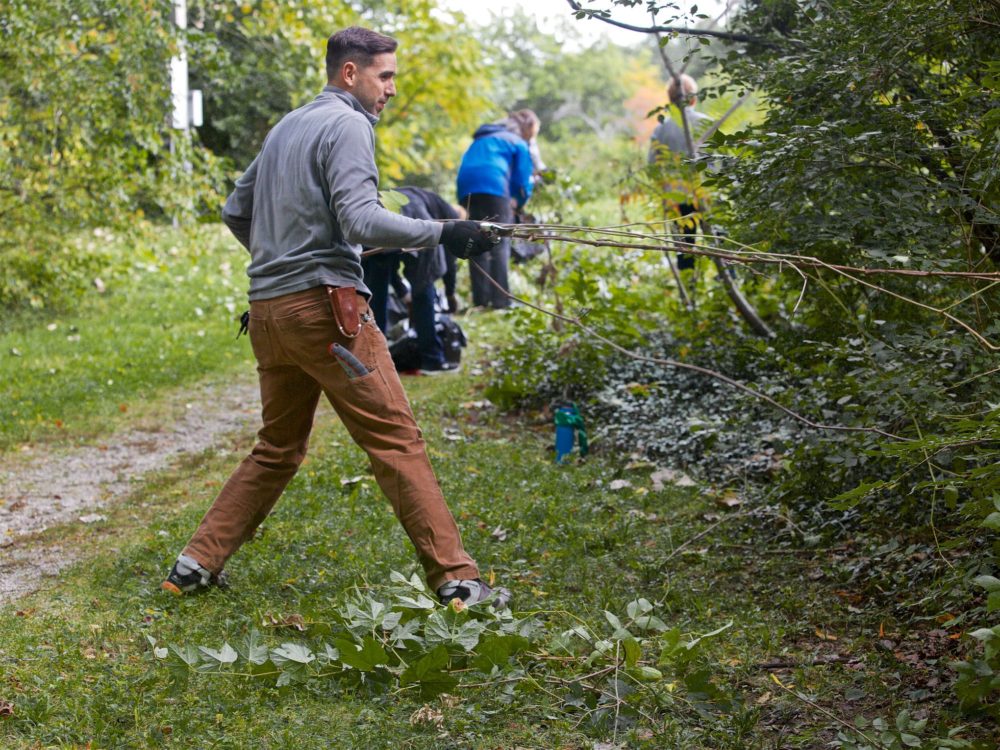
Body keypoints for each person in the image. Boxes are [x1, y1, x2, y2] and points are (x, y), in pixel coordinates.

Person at [161, 26, 509, 610]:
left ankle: (194, 565)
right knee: (396, 441)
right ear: (351, 73)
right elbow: (361, 219)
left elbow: (234, 210)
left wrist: (286, 257)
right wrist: (446, 232)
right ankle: (458, 582)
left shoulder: (287, 126)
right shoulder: (349, 124)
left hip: (269, 314)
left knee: (277, 448)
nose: (391, 88)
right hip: (325, 315)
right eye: (386, 75)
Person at [363, 186, 463, 374]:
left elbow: (389, 263)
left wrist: (403, 293)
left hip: (377, 224)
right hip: (417, 226)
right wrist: (450, 293)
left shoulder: (412, 194)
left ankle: (376, 364)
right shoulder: (449, 212)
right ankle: (432, 361)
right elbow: (451, 256)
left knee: (375, 298)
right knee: (423, 292)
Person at [455, 109, 539, 309]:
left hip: (467, 188)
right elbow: (522, 178)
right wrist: (519, 200)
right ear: (527, 130)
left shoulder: (483, 138)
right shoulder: (516, 141)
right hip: (493, 186)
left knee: (477, 241)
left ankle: (480, 301)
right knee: (499, 242)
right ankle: (501, 301)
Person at [648, 74, 712, 270]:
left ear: (670, 100)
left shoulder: (661, 130)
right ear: (693, 98)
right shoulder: (707, 123)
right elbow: (721, 162)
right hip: (707, 194)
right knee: (720, 246)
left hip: (677, 198)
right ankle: (729, 283)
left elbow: (652, 165)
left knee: (684, 251)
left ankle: (690, 294)